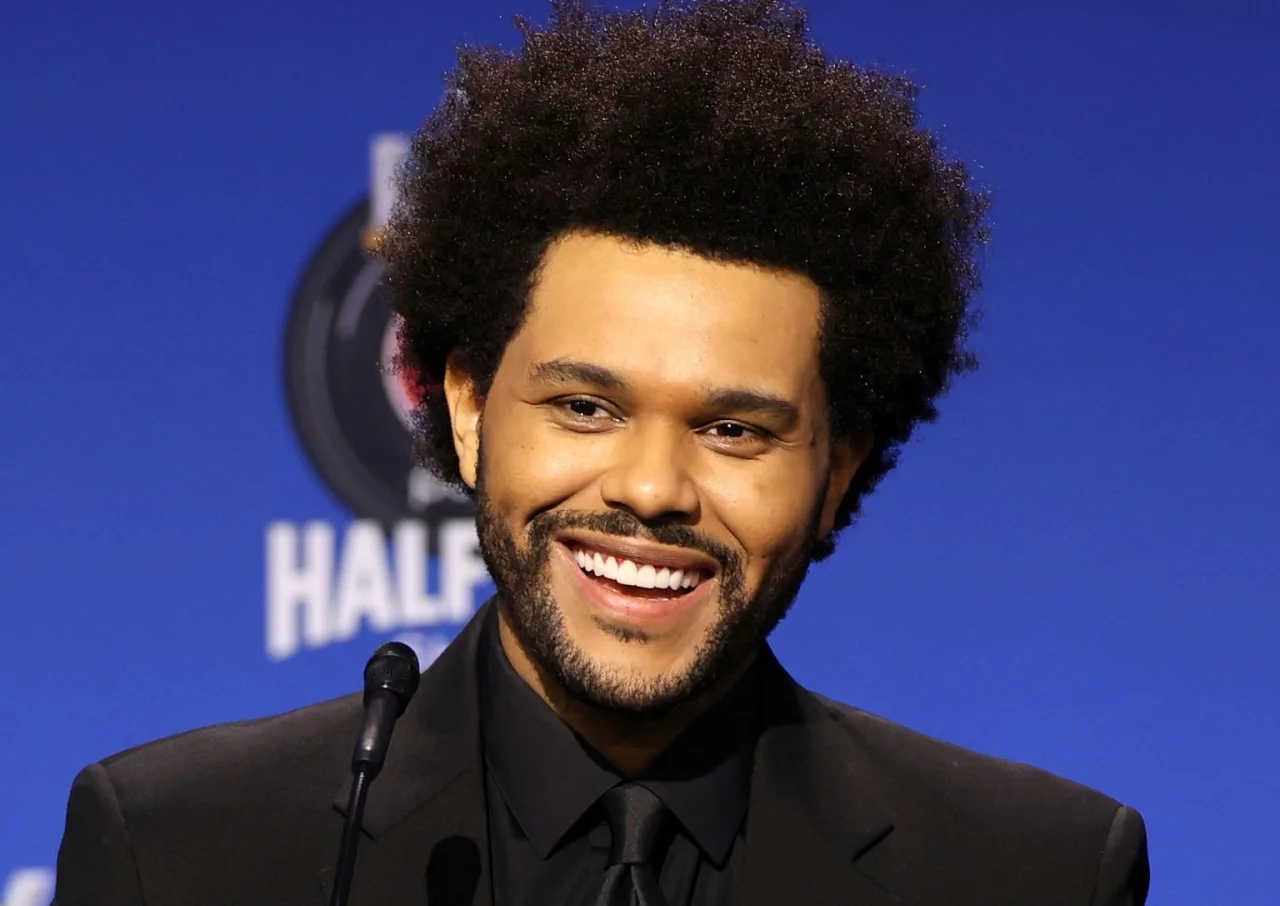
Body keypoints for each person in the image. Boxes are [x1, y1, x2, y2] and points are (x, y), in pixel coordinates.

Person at [52, 1, 1150, 904]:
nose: (650, 488)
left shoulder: (1035, 872)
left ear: (839, 472)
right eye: (584, 407)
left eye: (733, 430)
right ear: (469, 408)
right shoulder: (180, 851)